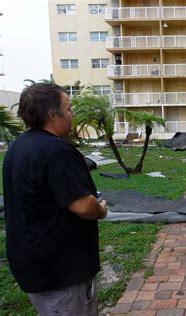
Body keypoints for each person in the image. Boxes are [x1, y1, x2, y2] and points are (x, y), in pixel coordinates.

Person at [3, 83, 108, 315]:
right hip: (61, 270)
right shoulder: (56, 151)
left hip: (32, 263)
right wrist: (101, 209)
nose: (73, 114)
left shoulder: (18, 147)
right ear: (52, 115)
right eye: (69, 108)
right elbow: (84, 207)